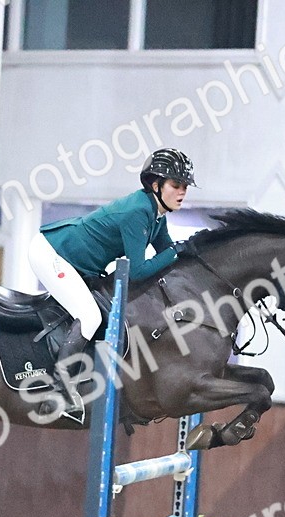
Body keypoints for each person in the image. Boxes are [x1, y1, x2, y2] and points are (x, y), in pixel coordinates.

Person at [27, 147, 196, 419]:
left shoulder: (156, 214)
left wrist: (188, 254)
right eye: (176, 185)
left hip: (76, 261)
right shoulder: (139, 211)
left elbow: (168, 252)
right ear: (156, 184)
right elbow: (139, 270)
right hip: (52, 254)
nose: (182, 192)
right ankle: (58, 390)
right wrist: (178, 250)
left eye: (185, 186)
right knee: (90, 316)